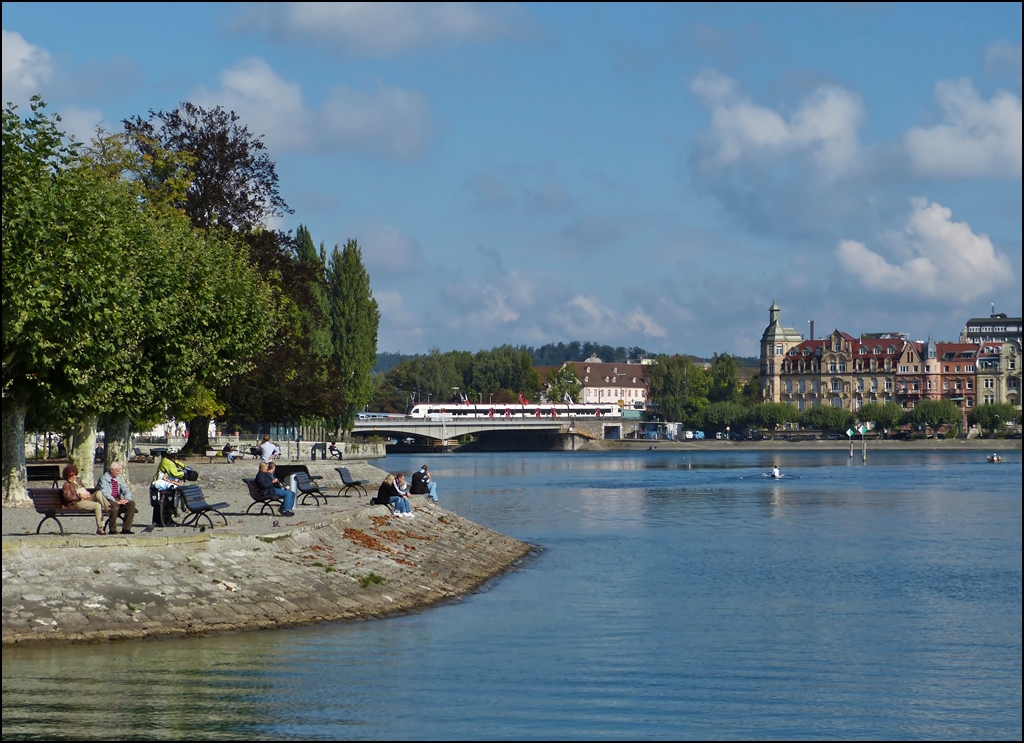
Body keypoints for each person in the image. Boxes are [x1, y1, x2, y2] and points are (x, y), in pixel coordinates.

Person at [61, 464, 111, 535]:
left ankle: (108, 508)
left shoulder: (78, 482)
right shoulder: (66, 485)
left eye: (75, 474)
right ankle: (100, 528)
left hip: (85, 499)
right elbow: (68, 497)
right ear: (67, 476)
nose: (74, 477)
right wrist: (79, 496)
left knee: (98, 493)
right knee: (97, 505)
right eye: (72, 475)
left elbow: (84, 489)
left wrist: (87, 493)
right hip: (76, 503)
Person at [96, 461, 138, 535]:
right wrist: (115, 501)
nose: (119, 472)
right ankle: (112, 529)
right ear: (111, 470)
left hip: (117, 499)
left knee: (131, 504)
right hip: (108, 501)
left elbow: (126, 489)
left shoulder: (118, 479)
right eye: (117, 471)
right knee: (114, 506)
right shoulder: (104, 478)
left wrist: (126, 499)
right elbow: (105, 493)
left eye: (119, 470)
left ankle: (126, 529)